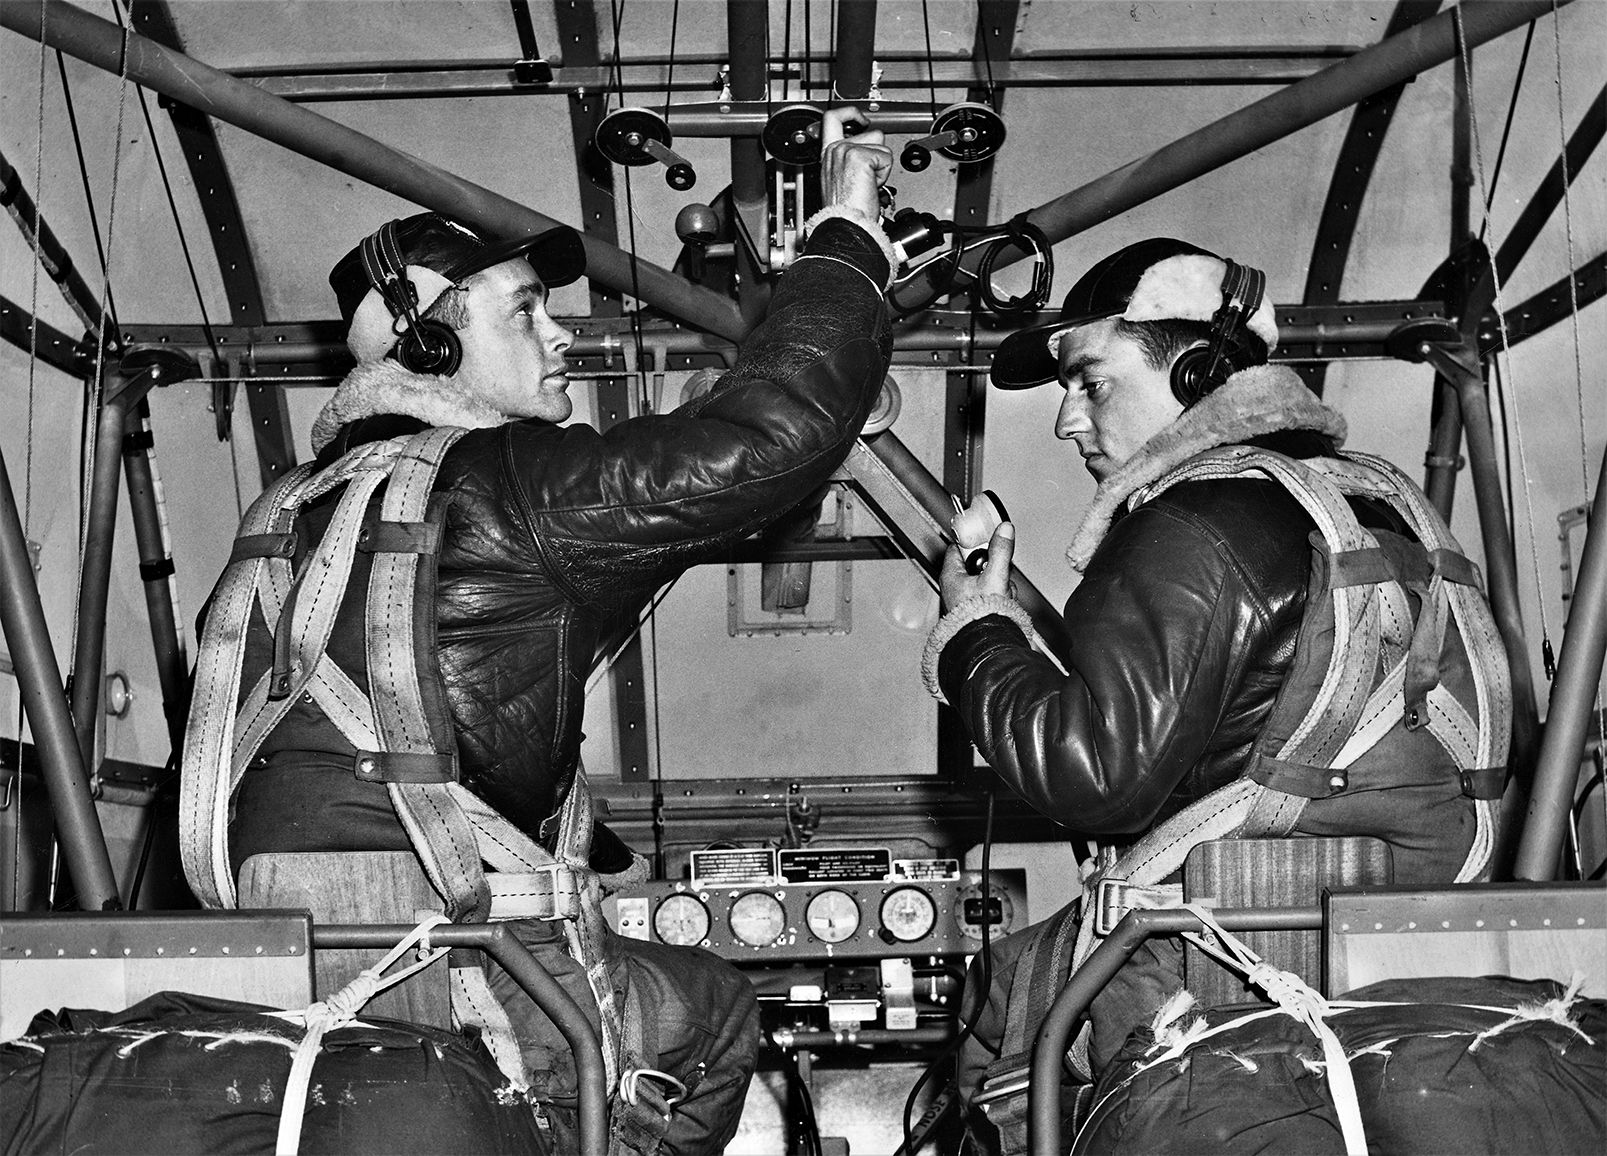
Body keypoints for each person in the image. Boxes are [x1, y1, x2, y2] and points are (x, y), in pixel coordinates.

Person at [182, 110, 896, 1153]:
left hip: (277, 963)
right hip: (460, 948)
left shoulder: (282, 516)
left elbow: (436, 699)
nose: (562, 334)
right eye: (524, 311)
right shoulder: (504, 485)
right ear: (430, 338)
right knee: (706, 1011)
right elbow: (766, 444)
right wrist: (847, 247)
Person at [920, 238, 1510, 1150]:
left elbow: (1092, 778)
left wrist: (977, 631)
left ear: (1195, 373)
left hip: (1218, 957)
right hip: (1407, 941)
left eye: (1089, 381)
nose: (1065, 421)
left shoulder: (1187, 526)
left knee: (989, 1009)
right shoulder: (1381, 504)